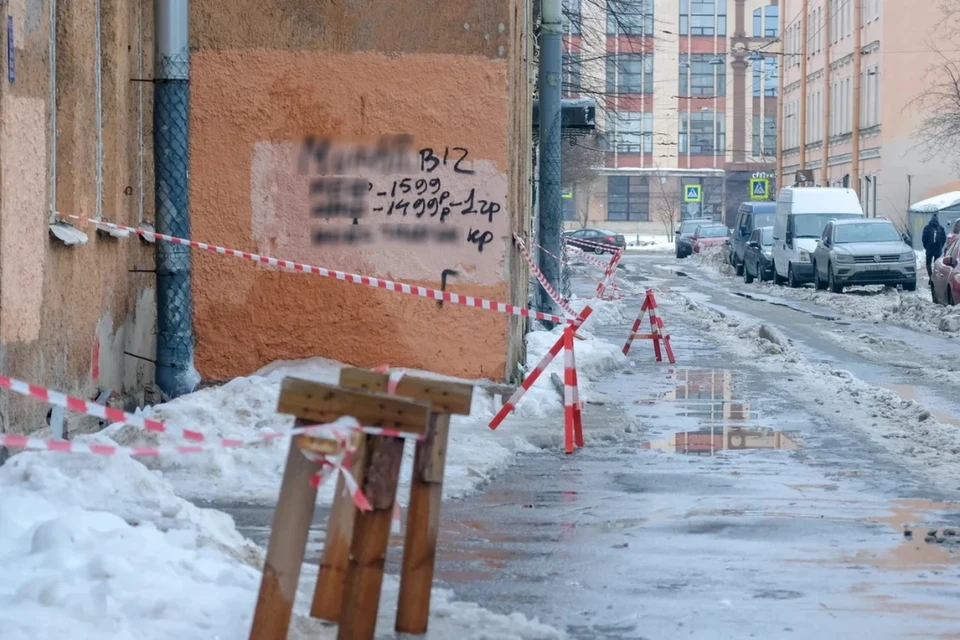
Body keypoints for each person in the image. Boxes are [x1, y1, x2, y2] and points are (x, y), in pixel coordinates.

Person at [922, 214, 947, 279]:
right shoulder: (941, 228)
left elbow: (924, 238)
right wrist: (941, 246)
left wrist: (926, 246)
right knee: (937, 265)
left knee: (928, 264)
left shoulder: (927, 228)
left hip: (929, 249)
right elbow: (944, 238)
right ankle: (935, 278)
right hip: (938, 249)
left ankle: (930, 276)